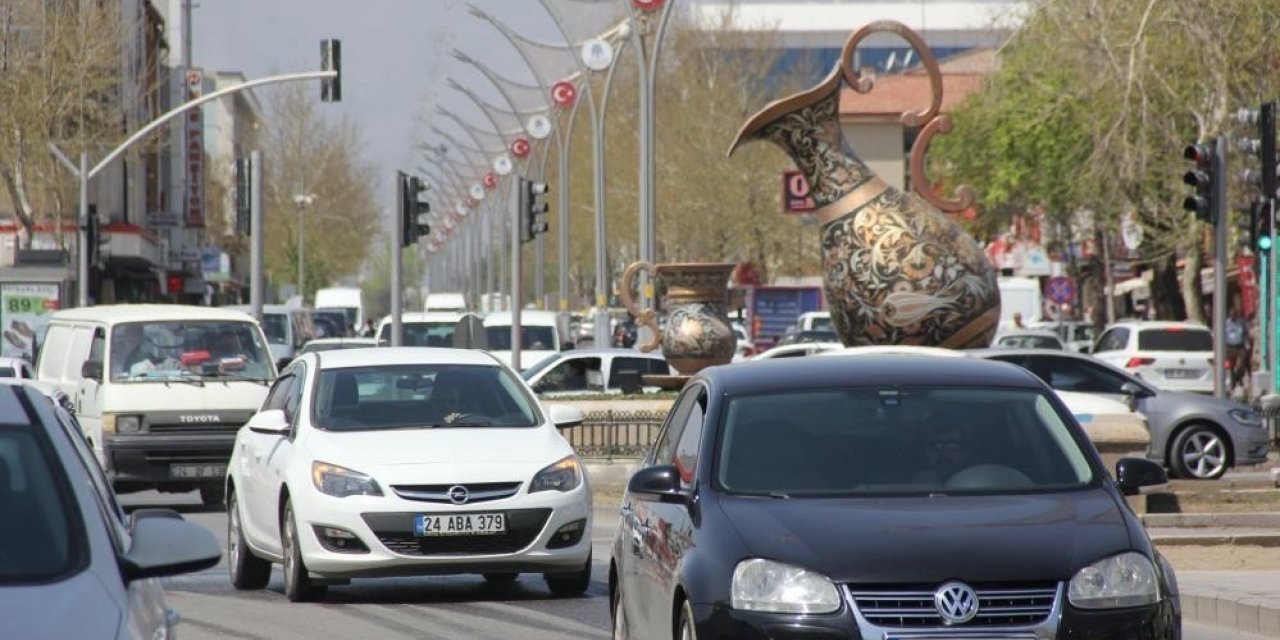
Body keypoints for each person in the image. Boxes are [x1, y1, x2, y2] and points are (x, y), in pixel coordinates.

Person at [1225, 303, 1250, 399]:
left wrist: (1247, 345)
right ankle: (1233, 383)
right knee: (1230, 366)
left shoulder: (1241, 323)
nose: (1233, 316)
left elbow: (1245, 334)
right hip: (1230, 347)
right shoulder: (1226, 323)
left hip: (1240, 346)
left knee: (1241, 366)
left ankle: (1237, 378)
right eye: (1231, 314)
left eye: (1234, 314)